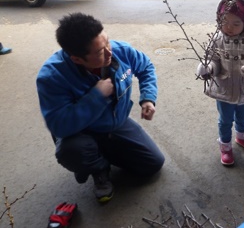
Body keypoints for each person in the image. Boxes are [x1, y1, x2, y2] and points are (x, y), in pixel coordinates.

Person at [36, 13, 165, 203]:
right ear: (77, 59)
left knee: (153, 164)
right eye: (99, 52)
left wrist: (148, 98)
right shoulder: (51, 77)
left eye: (108, 43)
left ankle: (104, 150)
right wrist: (96, 97)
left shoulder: (121, 51)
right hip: (81, 132)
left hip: (115, 123)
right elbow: (59, 125)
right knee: (71, 151)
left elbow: (145, 67)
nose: (109, 52)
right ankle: (99, 169)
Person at [196, 0, 244, 166]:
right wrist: (209, 68)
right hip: (224, 89)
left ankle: (242, 136)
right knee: (225, 120)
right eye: (225, 22)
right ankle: (225, 147)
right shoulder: (217, 39)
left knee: (243, 115)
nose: (229, 27)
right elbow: (213, 59)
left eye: (236, 23)